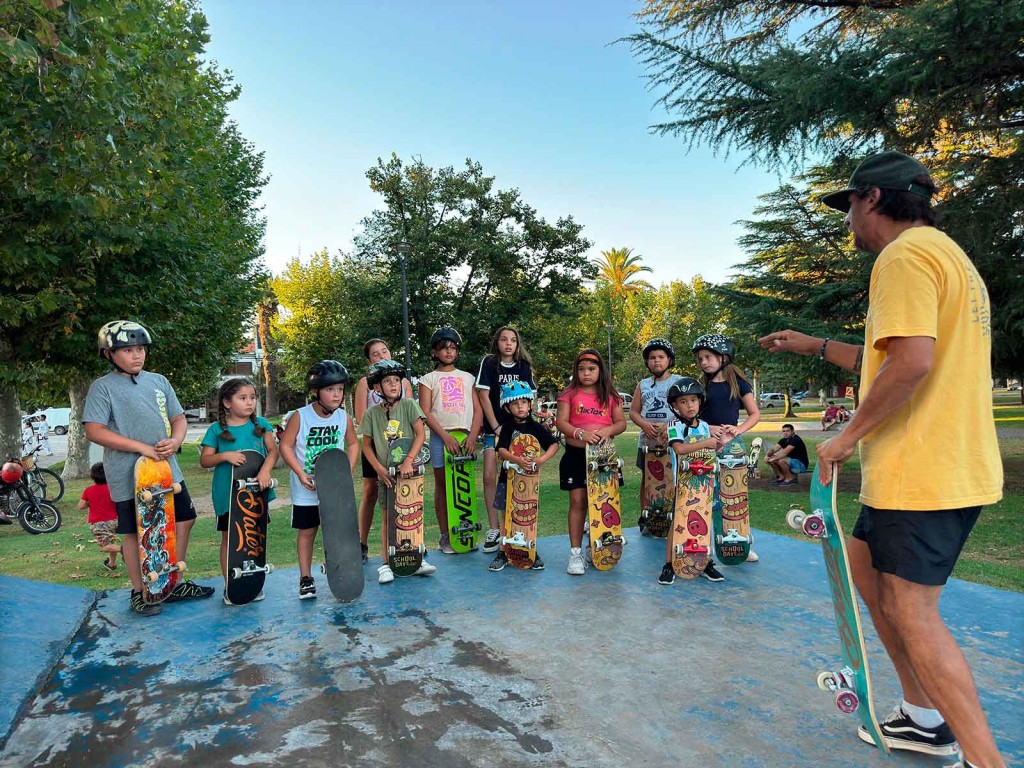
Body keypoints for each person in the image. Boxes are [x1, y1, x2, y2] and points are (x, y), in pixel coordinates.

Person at [760, 150, 1004, 768]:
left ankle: (984, 759)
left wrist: (844, 438)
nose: (848, 225)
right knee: (867, 576)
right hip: (934, 468)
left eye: (847, 209)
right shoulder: (948, 256)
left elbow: (913, 364)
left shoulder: (902, 256)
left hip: (922, 473)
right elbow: (891, 356)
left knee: (912, 610)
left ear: (871, 198)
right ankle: (922, 718)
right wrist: (814, 344)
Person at [84, 320, 215, 616]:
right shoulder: (102, 388)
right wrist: (142, 448)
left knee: (184, 519)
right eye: (128, 350)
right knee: (134, 532)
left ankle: (172, 580)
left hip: (167, 471)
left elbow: (179, 418)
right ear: (108, 354)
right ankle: (139, 591)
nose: (136, 355)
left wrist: (176, 439)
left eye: (140, 348)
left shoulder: (158, 381)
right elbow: (95, 430)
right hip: (128, 476)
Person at [279, 360, 359, 600]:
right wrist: (300, 473)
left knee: (339, 532)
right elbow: (286, 445)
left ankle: (342, 572)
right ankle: (305, 578)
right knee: (308, 531)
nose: (337, 395)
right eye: (330, 389)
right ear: (316, 391)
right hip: (307, 488)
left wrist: (347, 469)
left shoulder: (343, 417)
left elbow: (353, 443)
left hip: (333, 487)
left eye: (340, 389)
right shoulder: (300, 417)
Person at [199, 377, 279, 605]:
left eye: (252, 397)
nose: (249, 403)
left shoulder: (261, 424)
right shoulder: (216, 429)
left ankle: (252, 583)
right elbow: (205, 460)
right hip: (227, 494)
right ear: (227, 402)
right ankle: (231, 585)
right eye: (242, 398)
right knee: (230, 537)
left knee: (255, 537)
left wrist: (265, 472)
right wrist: (224, 456)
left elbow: (273, 451)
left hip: (255, 494)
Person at [360, 359, 437, 584]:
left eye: (396, 380)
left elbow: (420, 435)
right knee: (388, 517)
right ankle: (386, 563)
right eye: (387, 381)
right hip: (387, 476)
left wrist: (409, 461)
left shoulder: (410, 406)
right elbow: (366, 445)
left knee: (413, 516)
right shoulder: (372, 414)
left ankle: (417, 556)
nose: (393, 385)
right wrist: (379, 470)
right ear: (377, 388)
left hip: (411, 475)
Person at [554, 349, 626, 576]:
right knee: (578, 502)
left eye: (592, 369)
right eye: (581, 369)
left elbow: (621, 423)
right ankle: (575, 553)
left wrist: (607, 430)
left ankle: (595, 548)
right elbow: (561, 423)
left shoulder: (610, 395)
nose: (586, 373)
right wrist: (580, 433)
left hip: (603, 457)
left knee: (603, 503)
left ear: (600, 370)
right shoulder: (569, 393)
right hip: (576, 456)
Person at [691, 333, 761, 568]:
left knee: (734, 498)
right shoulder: (700, 386)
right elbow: (692, 416)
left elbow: (755, 414)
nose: (704, 362)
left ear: (723, 357)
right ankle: (706, 543)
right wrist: (707, 428)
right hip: (706, 446)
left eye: (708, 357)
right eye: (700, 359)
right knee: (707, 497)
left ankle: (740, 543)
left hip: (731, 448)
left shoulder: (739, 383)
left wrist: (739, 429)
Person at [417, 327, 482, 554]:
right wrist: (444, 437)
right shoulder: (428, 379)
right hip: (440, 437)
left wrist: (473, 435)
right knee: (443, 486)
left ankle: (465, 532)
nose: (448, 352)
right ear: (435, 352)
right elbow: (425, 411)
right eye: (444, 348)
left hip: (464, 436)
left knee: (462, 485)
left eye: (453, 348)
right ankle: (446, 535)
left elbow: (477, 408)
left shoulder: (467, 378)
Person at [475, 327, 536, 556]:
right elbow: (483, 395)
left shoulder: (523, 366)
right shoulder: (490, 363)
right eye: (504, 339)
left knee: (517, 478)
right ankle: (494, 529)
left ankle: (518, 528)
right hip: (495, 430)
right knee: (490, 476)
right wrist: (497, 427)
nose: (508, 344)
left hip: (519, 432)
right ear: (497, 342)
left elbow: (530, 398)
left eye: (513, 340)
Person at [353, 339, 415, 563]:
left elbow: (410, 414)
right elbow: (361, 418)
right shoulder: (365, 383)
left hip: (400, 447)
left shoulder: (403, 382)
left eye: (384, 351)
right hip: (375, 445)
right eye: (376, 354)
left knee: (405, 493)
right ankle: (361, 543)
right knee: (371, 491)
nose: (381, 356)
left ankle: (409, 542)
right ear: (370, 361)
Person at [487, 381, 559, 572]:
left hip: (529, 484)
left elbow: (554, 445)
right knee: (507, 517)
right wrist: (516, 459)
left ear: (530, 404)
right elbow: (501, 449)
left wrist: (541, 460)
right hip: (507, 480)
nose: (520, 406)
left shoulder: (535, 427)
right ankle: (503, 551)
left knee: (528, 517)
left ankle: (530, 551)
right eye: (515, 403)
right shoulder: (508, 426)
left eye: (523, 402)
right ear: (508, 407)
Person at [656, 378, 720, 586]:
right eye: (683, 401)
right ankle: (669, 564)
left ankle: (706, 561)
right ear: (675, 405)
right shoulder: (674, 426)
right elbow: (679, 449)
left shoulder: (703, 426)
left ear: (700, 402)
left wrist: (716, 445)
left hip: (705, 484)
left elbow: (710, 452)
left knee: (706, 521)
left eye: (693, 400)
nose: (690, 405)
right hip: (682, 485)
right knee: (677, 524)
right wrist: (707, 442)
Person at [628, 338, 683, 534]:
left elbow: (687, 411)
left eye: (661, 357)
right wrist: (644, 424)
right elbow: (634, 411)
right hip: (647, 441)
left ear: (669, 359)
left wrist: (670, 425)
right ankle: (647, 515)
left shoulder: (678, 382)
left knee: (672, 478)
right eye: (652, 358)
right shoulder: (643, 385)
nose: (656, 361)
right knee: (647, 479)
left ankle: (672, 515)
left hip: (672, 440)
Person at [78, 462, 121, 572]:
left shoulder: (89, 490)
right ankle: (111, 564)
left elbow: (81, 506)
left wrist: (89, 502)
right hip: (115, 521)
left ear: (93, 476)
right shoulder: (113, 488)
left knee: (105, 547)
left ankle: (124, 550)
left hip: (99, 524)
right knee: (111, 542)